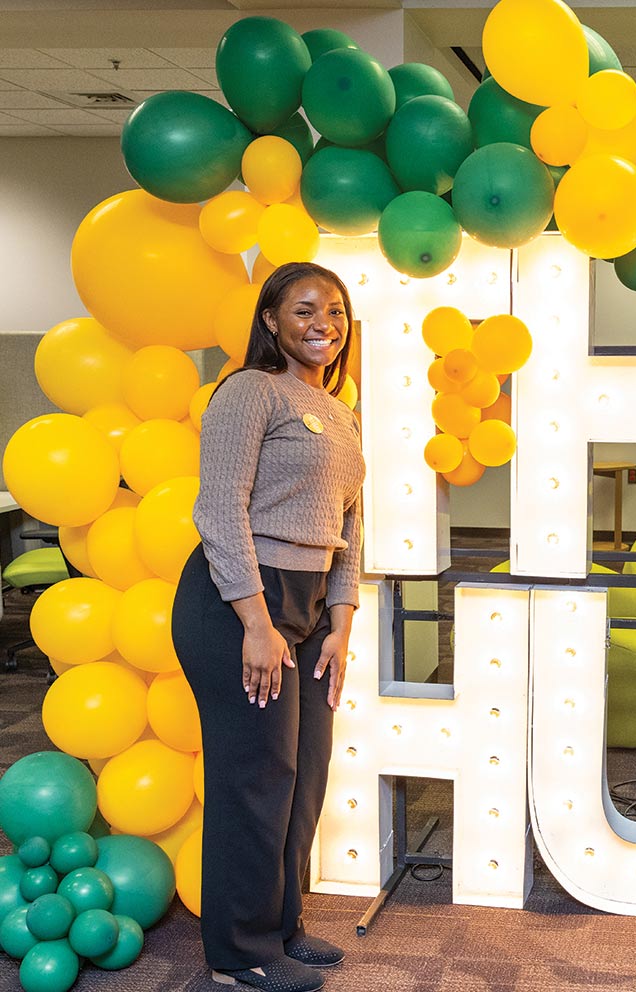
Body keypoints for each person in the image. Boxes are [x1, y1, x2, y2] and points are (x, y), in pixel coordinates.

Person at [173, 262, 365, 992]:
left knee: (303, 774)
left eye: (337, 311)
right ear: (271, 321)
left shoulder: (341, 412)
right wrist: (256, 620)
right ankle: (238, 954)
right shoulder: (249, 391)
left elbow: (351, 527)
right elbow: (220, 508)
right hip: (238, 602)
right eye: (305, 309)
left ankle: (282, 925)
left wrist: (339, 625)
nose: (325, 323)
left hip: (312, 605)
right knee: (255, 777)